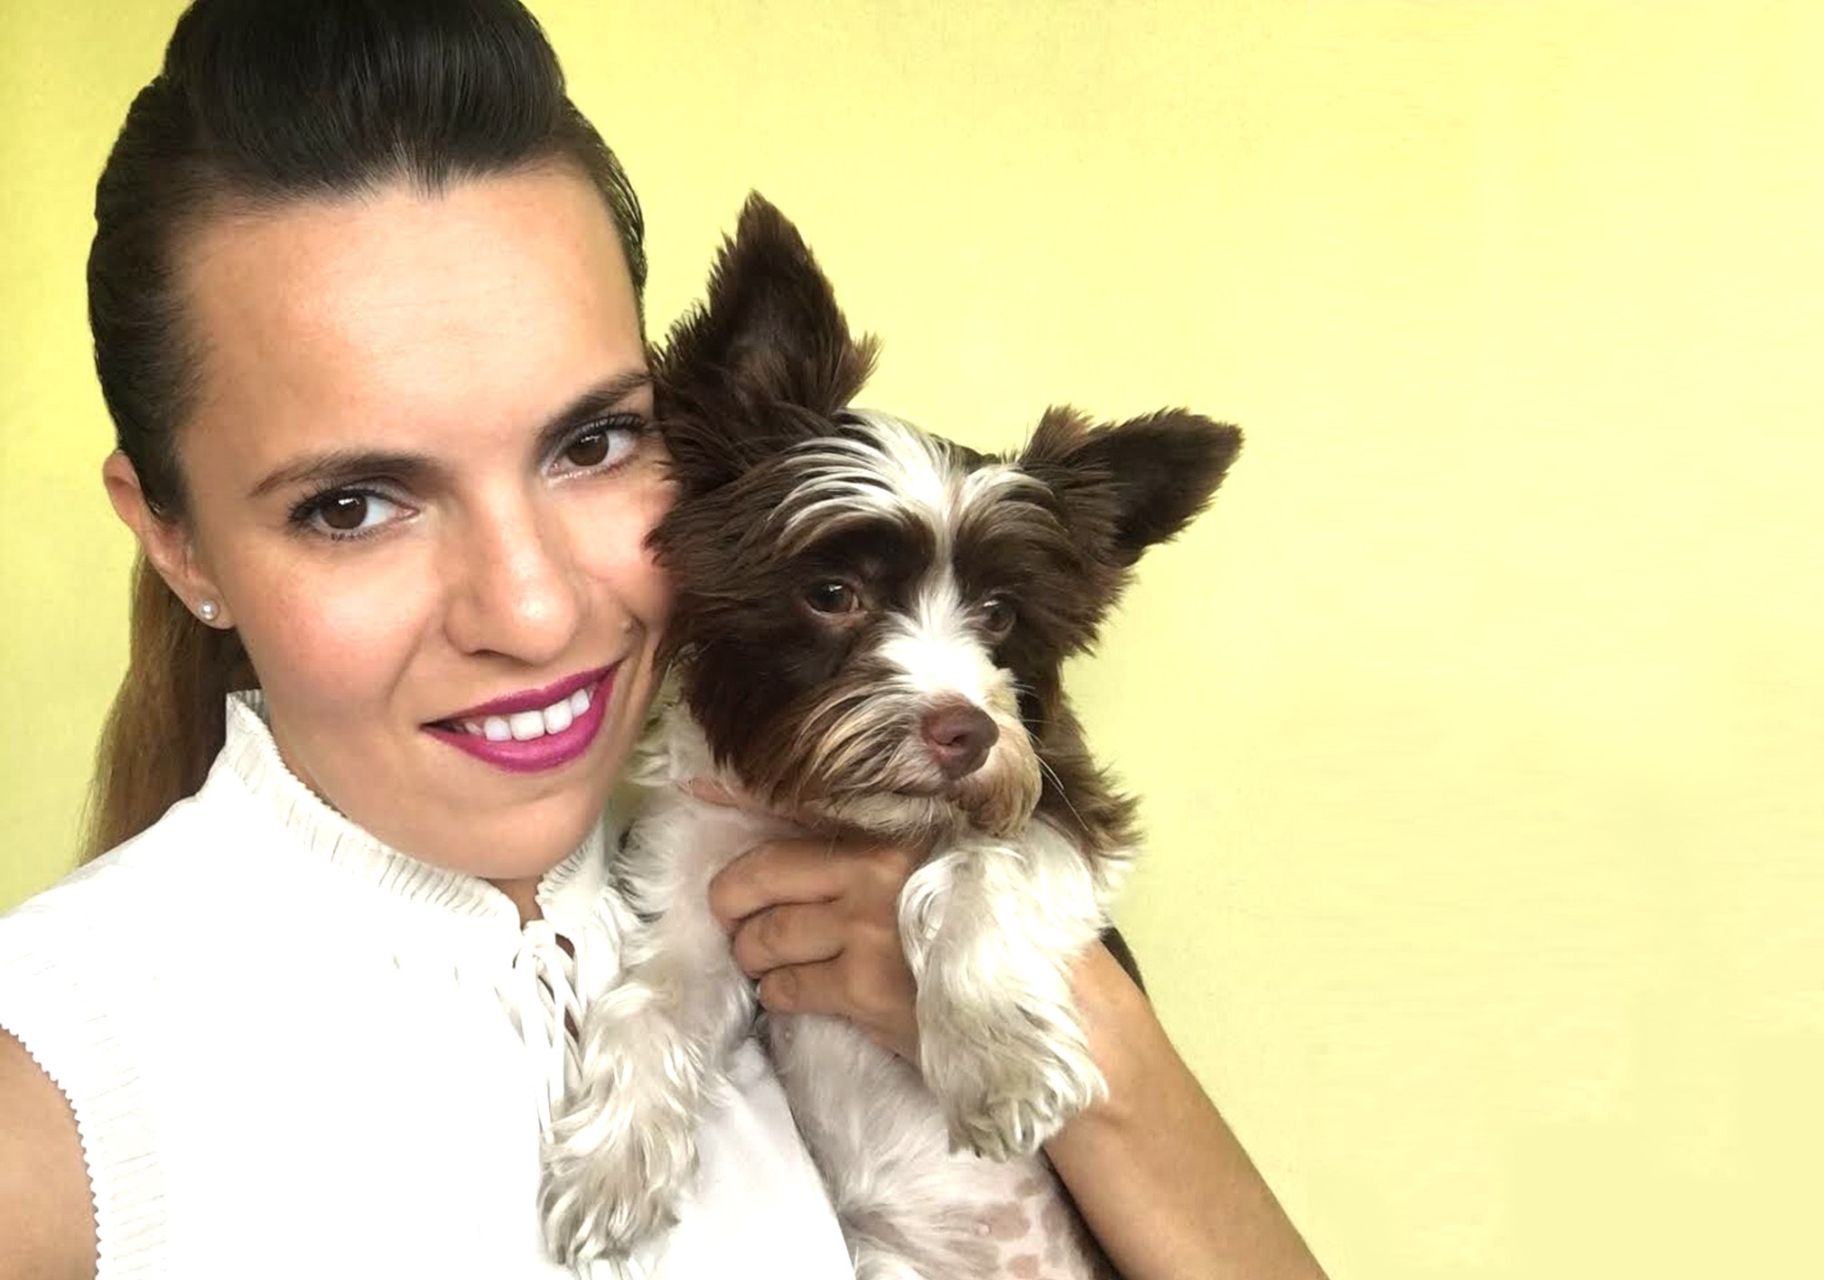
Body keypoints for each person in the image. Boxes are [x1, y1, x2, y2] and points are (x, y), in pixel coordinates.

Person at [0, 2, 1326, 1278]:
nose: (531, 611)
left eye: (592, 443)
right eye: (351, 505)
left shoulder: (786, 887)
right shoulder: (50, 1106)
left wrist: (1096, 1044)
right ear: (177, 541)